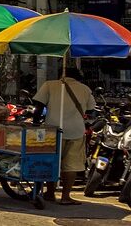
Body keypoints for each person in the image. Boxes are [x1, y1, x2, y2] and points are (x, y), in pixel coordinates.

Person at [34, 68, 95, 205]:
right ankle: (66, 196)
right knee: (71, 165)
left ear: (63, 74)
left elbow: (38, 106)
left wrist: (35, 123)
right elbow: (91, 109)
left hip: (53, 130)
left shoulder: (50, 84)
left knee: (51, 162)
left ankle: (50, 193)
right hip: (76, 131)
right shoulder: (85, 89)